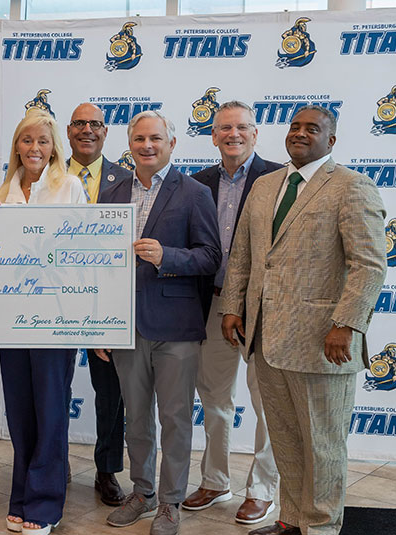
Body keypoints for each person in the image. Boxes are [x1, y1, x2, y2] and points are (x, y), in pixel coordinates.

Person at [221, 106, 387, 535]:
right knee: (289, 441)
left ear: (330, 141)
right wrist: (233, 307)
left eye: (312, 128)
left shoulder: (352, 187)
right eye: (295, 126)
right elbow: (244, 255)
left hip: (322, 342)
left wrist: (347, 324)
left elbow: (369, 266)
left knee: (323, 447)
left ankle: (321, 527)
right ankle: (292, 520)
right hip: (265, 339)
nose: (300, 133)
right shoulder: (265, 185)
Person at [96, 111, 220, 535]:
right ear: (129, 145)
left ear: (172, 143)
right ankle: (142, 493)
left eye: (156, 139)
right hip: (125, 326)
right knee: (136, 419)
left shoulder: (195, 192)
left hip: (176, 327)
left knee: (176, 419)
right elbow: (98, 265)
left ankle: (170, 503)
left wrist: (167, 256)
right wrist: (99, 326)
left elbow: (209, 257)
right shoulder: (111, 193)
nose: (147, 146)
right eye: (139, 139)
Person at [182, 101, 282, 525]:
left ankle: (262, 489)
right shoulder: (196, 182)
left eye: (241, 127)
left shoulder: (279, 179)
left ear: (255, 133)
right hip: (212, 303)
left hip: (263, 308)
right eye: (224, 128)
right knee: (215, 399)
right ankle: (215, 480)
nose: (233, 134)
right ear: (213, 135)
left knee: (269, 403)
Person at [0, 109, 86, 535]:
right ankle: (21, 496)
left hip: (55, 316)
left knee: (50, 410)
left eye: (43, 142)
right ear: (17, 145)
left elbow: (82, 253)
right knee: (20, 412)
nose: (35, 149)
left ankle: (46, 505)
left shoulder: (69, 187)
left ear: (55, 148)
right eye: (28, 140)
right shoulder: (2, 191)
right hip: (10, 317)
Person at [66, 102, 133, 507]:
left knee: (111, 391)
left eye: (95, 124)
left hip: (106, 298)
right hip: (53, 297)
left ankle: (106, 470)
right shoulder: (46, 175)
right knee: (52, 387)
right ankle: (54, 462)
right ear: (68, 132)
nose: (87, 130)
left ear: (105, 132)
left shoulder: (127, 179)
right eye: (79, 124)